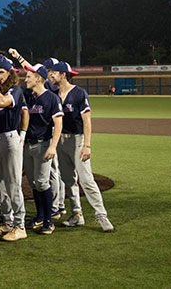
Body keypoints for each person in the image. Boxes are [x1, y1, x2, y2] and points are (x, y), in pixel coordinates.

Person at [49, 61, 114, 232]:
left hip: (77, 141)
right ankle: (77, 215)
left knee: (86, 180)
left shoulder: (79, 93)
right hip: (61, 142)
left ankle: (102, 216)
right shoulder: (53, 93)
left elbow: (87, 121)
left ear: (63, 74)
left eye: (54, 72)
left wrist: (87, 145)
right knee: (68, 179)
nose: (51, 75)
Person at [0, 55, 30, 242]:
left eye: (1, 72)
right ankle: (8, 221)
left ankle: (20, 226)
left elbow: (1, 102)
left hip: (10, 139)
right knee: (0, 184)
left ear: (10, 73)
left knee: (13, 184)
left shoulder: (16, 90)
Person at [23, 64, 63, 236]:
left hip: (43, 144)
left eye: (28, 76)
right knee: (34, 183)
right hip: (28, 145)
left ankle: (49, 220)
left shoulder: (51, 99)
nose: (25, 79)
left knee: (42, 182)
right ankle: (39, 217)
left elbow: (58, 124)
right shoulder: (29, 97)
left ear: (38, 78)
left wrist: (53, 146)